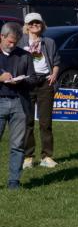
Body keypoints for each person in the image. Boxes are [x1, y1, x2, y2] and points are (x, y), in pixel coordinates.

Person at [0, 23, 36, 189]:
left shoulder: (25, 55)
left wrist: (20, 81)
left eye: (15, 42)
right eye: (10, 42)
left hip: (19, 103)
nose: (13, 45)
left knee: (17, 145)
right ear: (2, 37)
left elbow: (33, 79)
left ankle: (14, 181)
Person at [19, 13, 57, 169]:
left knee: (45, 122)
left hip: (45, 83)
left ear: (42, 24)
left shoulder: (49, 42)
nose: (35, 25)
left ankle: (47, 156)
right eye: (31, 23)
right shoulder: (20, 42)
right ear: (26, 26)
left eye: (38, 22)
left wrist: (54, 74)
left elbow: (56, 62)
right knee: (27, 122)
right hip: (27, 83)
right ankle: (28, 157)